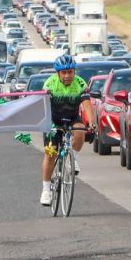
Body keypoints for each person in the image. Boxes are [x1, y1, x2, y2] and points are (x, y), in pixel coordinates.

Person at [39, 55, 93, 206]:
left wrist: (92, 123)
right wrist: (45, 123)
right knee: (50, 154)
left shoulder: (80, 83)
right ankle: (46, 190)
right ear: (58, 73)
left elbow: (87, 104)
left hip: (72, 117)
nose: (67, 76)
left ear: (74, 72)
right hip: (53, 120)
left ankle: (72, 159)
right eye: (64, 73)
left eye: (70, 72)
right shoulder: (50, 83)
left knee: (81, 130)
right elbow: (43, 105)